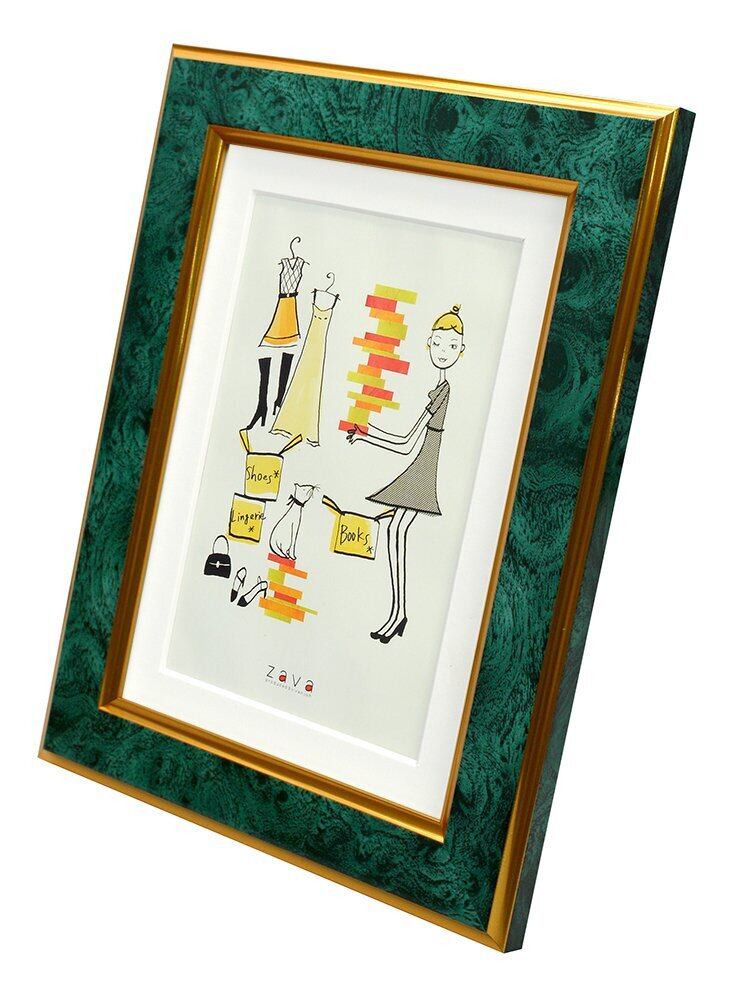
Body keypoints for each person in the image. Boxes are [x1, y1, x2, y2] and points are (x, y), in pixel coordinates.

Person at [347, 305, 465, 643]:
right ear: (428, 344)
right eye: (438, 343)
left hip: (425, 463)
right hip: (424, 458)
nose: (443, 351)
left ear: (461, 350)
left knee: (396, 530)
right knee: (395, 529)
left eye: (451, 345)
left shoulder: (443, 392)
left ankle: (399, 614)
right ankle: (397, 614)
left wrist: (367, 434)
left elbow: (405, 443)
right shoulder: (439, 388)